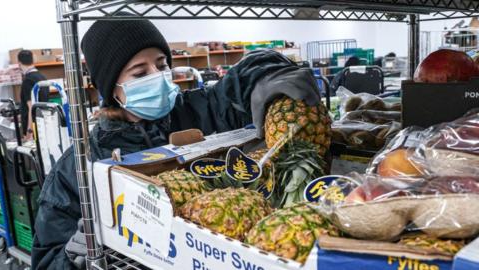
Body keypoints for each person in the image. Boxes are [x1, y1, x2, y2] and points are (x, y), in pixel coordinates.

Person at [31, 17, 322, 269]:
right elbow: (45, 260)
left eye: (162, 64)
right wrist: (73, 256)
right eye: (140, 73)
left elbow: (242, 77)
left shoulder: (196, 111)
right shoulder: (78, 166)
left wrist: (270, 75)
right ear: (112, 87)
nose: (158, 77)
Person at [17, 50, 48, 140]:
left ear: (19, 63)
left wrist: (29, 131)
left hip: (35, 129)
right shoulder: (42, 77)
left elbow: (32, 108)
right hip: (44, 124)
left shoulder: (28, 80)